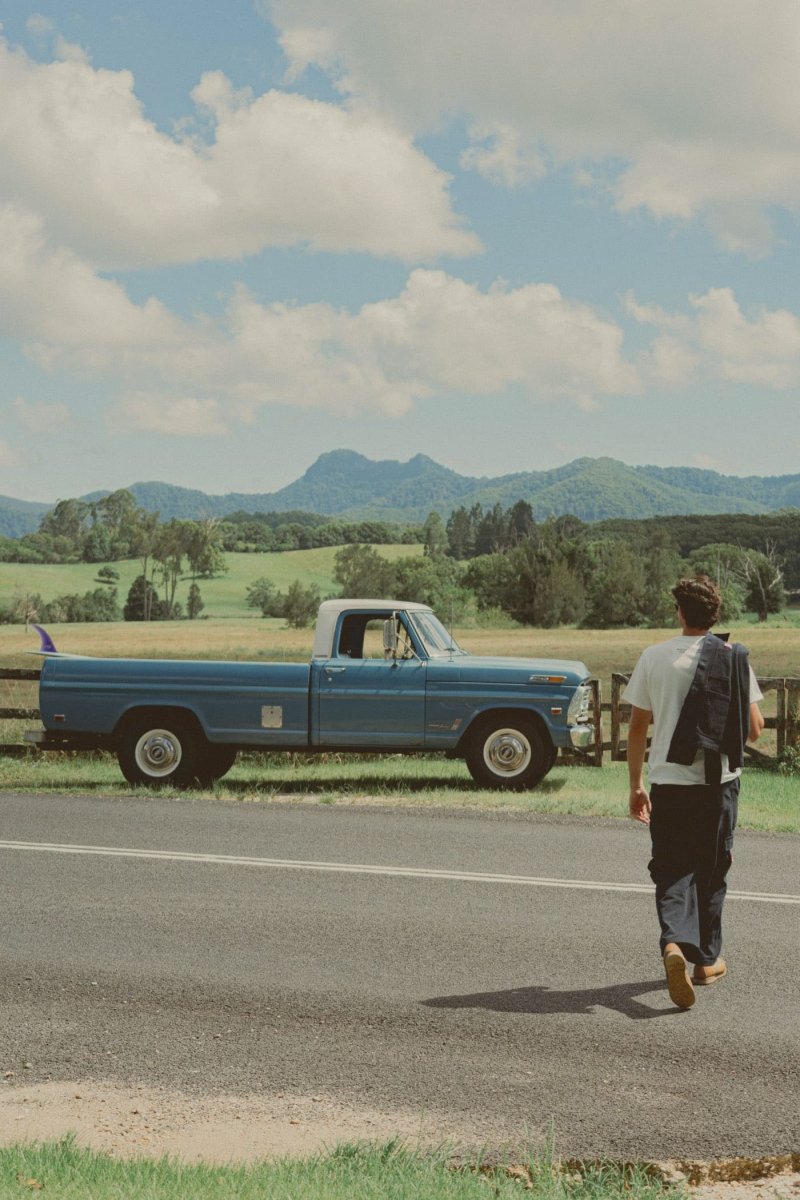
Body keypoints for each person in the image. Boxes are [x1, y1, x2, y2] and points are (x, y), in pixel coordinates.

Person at [624, 576, 765, 1010]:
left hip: (669, 783)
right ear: (715, 615)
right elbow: (755, 729)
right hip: (718, 785)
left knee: (671, 868)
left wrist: (636, 785)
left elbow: (638, 726)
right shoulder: (732, 656)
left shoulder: (654, 656)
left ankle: (673, 944)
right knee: (713, 868)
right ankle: (705, 962)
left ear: (681, 613)